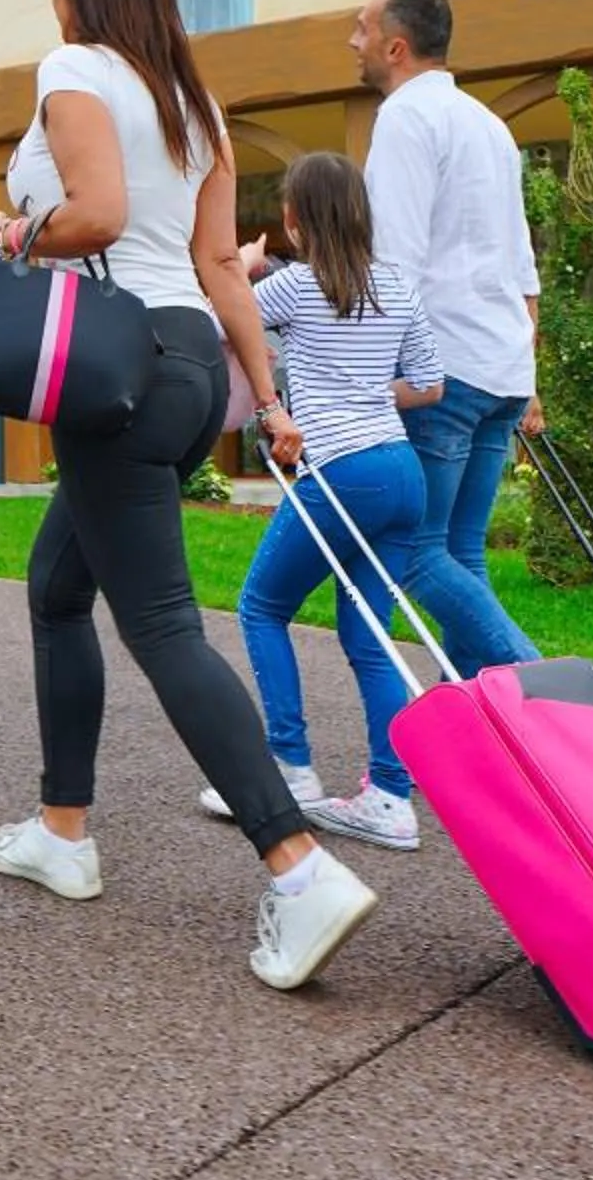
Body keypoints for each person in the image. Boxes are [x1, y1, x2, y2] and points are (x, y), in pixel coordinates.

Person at [0, 0, 378, 992]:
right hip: (189, 366)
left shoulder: (73, 67)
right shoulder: (197, 99)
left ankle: (297, 865)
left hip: (120, 365)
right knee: (57, 584)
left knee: (163, 625)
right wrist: (268, 399)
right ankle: (62, 827)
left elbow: (94, 214)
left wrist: (1, 233)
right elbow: (221, 266)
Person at [200, 153, 540, 853]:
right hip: (400, 470)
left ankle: (289, 767)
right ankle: (389, 797)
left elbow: (214, 321)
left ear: (294, 220)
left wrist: (244, 265)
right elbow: (430, 386)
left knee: (262, 607)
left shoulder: (295, 285)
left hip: (342, 470)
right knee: (370, 636)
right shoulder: (397, 287)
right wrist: (366, 395)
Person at [353, 0, 546, 608]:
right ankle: (488, 703)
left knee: (415, 555)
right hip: (501, 370)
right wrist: (530, 377)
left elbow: (395, 260)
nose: (353, 41)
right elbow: (522, 266)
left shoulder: (406, 116)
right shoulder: (490, 126)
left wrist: (373, 374)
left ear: (396, 47)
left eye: (363, 28)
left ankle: (521, 673)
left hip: (442, 373)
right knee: (461, 553)